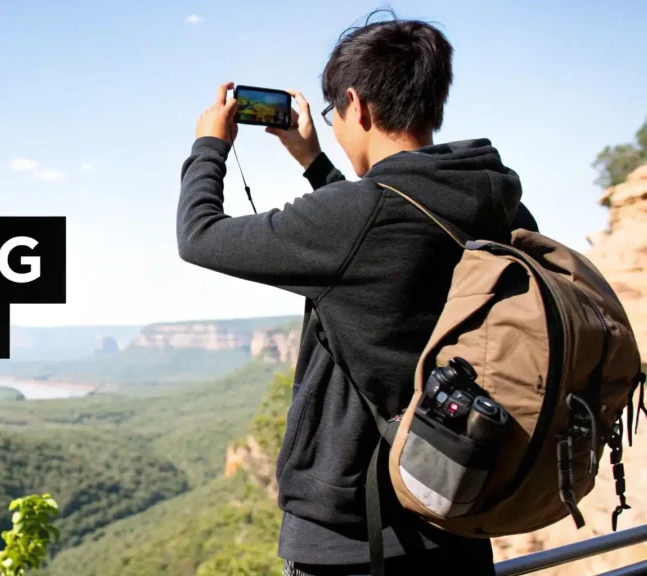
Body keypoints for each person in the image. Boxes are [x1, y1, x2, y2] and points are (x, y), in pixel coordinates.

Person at [177, 11, 538, 576]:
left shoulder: (359, 217)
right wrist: (314, 163)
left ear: (356, 104)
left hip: (355, 538)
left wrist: (209, 145)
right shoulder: (500, 204)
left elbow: (199, 235)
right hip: (459, 503)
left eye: (335, 113)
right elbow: (386, 239)